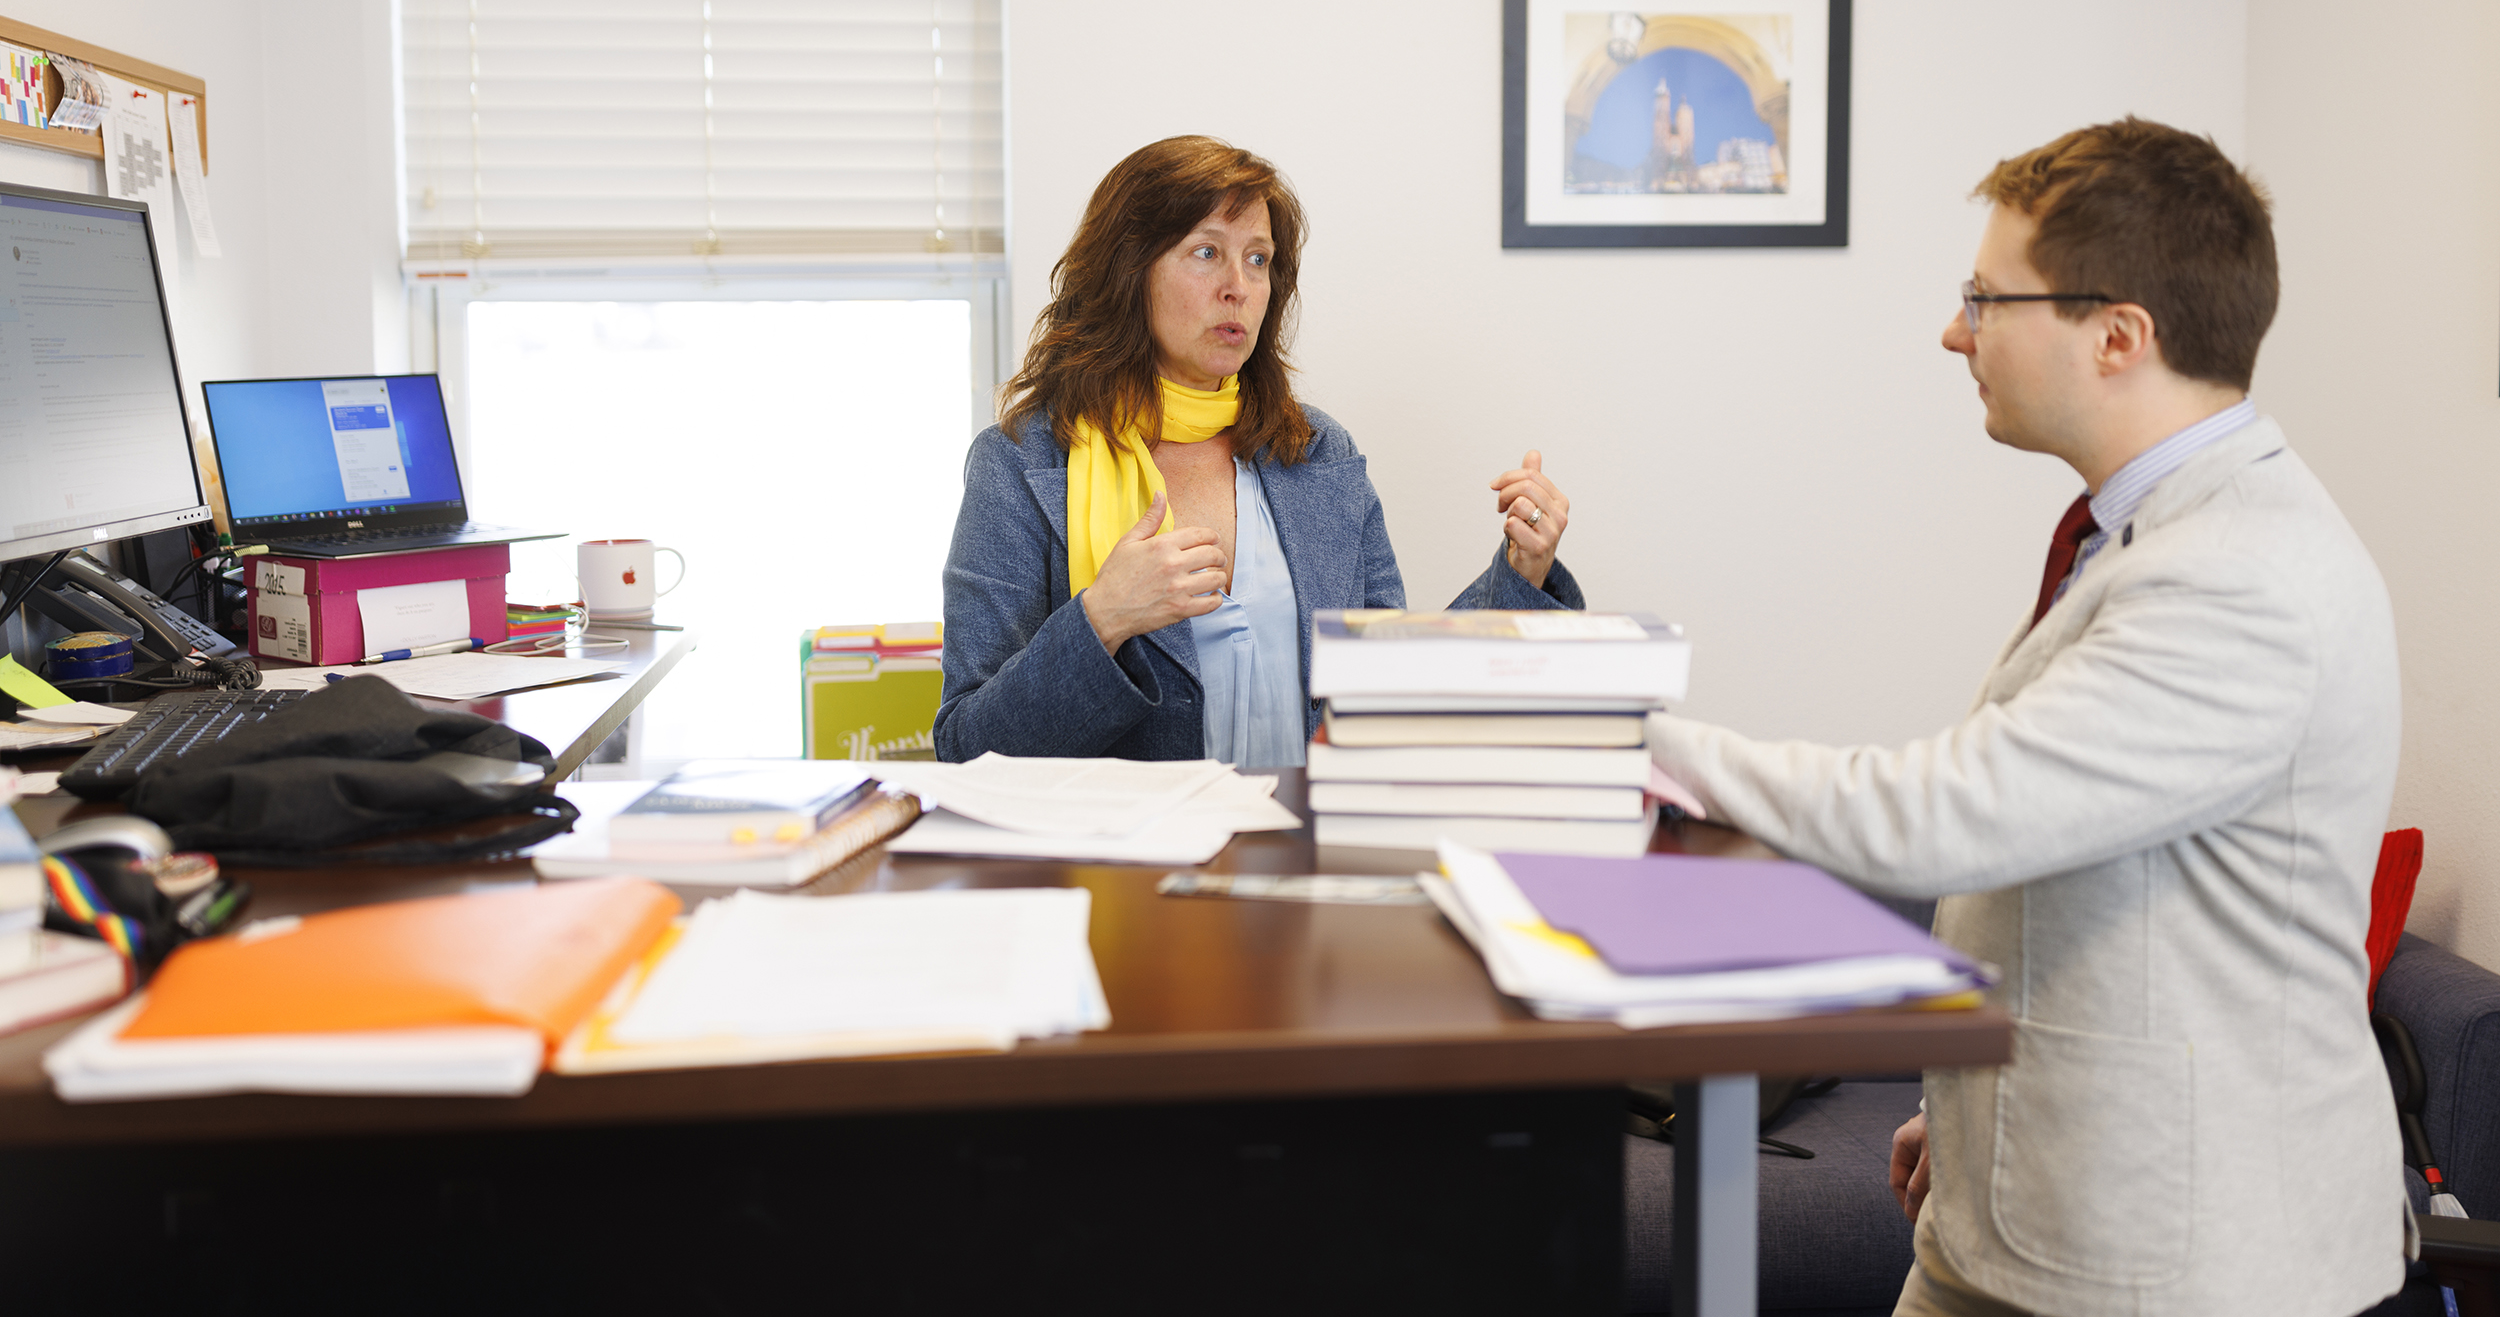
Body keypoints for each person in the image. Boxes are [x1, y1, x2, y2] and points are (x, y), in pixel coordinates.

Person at [1649, 119, 2403, 1317]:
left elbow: (1957, 811)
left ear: (2117, 335)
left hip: (2181, 1251)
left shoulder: (2240, 575)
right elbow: (2093, 862)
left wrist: (1648, 744)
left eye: (1985, 299)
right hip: (2031, 1194)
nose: (1955, 332)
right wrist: (1971, 1111)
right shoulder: (2145, 531)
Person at [936, 135, 1584, 766]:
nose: (1237, 287)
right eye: (1205, 252)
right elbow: (966, 743)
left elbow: (1391, 686)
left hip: (1307, 857)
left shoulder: (1319, 451)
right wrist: (1101, 619)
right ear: (1128, 270)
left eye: (1257, 259)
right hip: (1127, 870)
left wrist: (1520, 573)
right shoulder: (1022, 464)